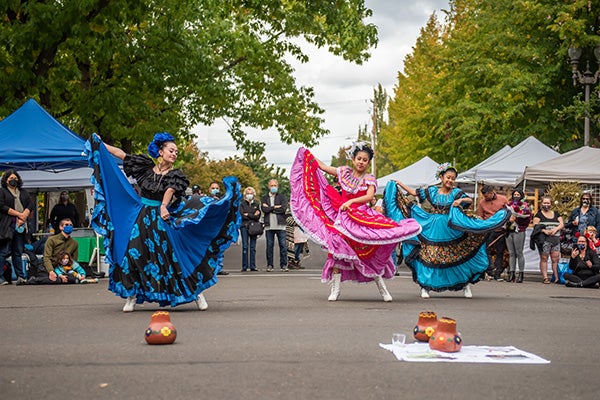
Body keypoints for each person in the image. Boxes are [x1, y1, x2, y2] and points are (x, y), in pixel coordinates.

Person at [86, 132, 241, 312]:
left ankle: (196, 293)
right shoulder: (144, 167)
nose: (174, 153)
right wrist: (101, 143)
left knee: (172, 256)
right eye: (171, 150)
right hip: (142, 216)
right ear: (160, 151)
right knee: (133, 253)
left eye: (176, 151)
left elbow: (170, 189)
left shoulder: (176, 174)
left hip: (163, 217)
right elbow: (121, 154)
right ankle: (132, 296)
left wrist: (164, 206)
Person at [289, 143, 421, 302]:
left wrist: (351, 203)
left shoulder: (369, 178)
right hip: (343, 218)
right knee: (337, 251)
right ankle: (335, 290)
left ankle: (383, 289)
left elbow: (369, 196)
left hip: (362, 217)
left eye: (365, 160)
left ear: (368, 162)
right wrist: (307, 154)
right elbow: (323, 167)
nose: (361, 162)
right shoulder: (343, 172)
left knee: (368, 253)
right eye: (359, 158)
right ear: (353, 159)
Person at [383, 162, 510, 299]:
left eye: (453, 178)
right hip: (432, 226)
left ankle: (465, 284)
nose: (450, 180)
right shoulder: (432, 191)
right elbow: (414, 193)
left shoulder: (456, 193)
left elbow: (468, 199)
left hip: (451, 227)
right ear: (442, 177)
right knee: (430, 255)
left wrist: (459, 202)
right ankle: (425, 286)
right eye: (448, 177)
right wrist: (399, 183)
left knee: (457, 254)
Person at [0, 170, 35, 285]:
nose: (13, 180)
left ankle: (21, 276)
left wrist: (24, 215)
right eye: (10, 178)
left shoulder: (23, 192)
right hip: (7, 226)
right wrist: (18, 214)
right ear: (5, 180)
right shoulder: (2, 192)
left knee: (18, 251)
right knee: (4, 251)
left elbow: (30, 204)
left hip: (21, 226)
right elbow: (2, 206)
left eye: (15, 177)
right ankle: (1, 277)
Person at [477, 185, 509, 281]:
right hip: (488, 230)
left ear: (492, 192)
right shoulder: (482, 203)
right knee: (486, 250)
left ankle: (498, 273)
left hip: (501, 230)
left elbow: (509, 212)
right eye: (484, 197)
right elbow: (480, 216)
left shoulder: (503, 199)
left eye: (487, 196)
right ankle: (490, 270)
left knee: (500, 252)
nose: (485, 198)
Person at [532, 195, 564, 284]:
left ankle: (556, 277)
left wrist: (555, 229)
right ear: (541, 204)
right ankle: (545, 277)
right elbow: (535, 225)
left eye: (548, 203)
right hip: (544, 240)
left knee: (555, 259)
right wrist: (544, 231)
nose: (546, 204)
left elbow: (561, 224)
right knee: (544, 258)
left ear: (551, 204)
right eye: (544, 203)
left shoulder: (556, 214)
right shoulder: (538, 215)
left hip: (555, 239)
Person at [261, 179, 289, 272]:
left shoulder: (282, 197)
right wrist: (274, 207)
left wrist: (270, 208)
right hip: (269, 225)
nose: (273, 187)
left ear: (277, 186)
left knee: (283, 246)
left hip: (280, 225)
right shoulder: (264, 198)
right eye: (272, 186)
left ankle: (284, 265)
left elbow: (283, 209)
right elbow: (264, 210)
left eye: (275, 185)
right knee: (269, 246)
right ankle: (270, 265)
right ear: (269, 187)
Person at [505, 189, 531, 283]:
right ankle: (511, 273)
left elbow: (528, 218)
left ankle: (521, 273)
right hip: (509, 230)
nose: (516, 196)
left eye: (518, 194)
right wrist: (509, 219)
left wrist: (518, 218)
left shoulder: (525, 206)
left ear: (521, 196)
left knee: (519, 253)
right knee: (511, 253)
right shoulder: (509, 205)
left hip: (519, 230)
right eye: (514, 194)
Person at [240, 186, 260, 272]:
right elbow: (242, 215)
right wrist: (252, 215)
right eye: (248, 193)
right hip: (244, 226)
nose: (249, 195)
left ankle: (253, 266)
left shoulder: (256, 204)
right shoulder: (241, 204)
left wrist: (248, 214)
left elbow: (257, 217)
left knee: (253, 247)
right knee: (245, 246)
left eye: (251, 193)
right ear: (245, 195)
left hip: (254, 227)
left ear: (253, 194)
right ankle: (244, 266)